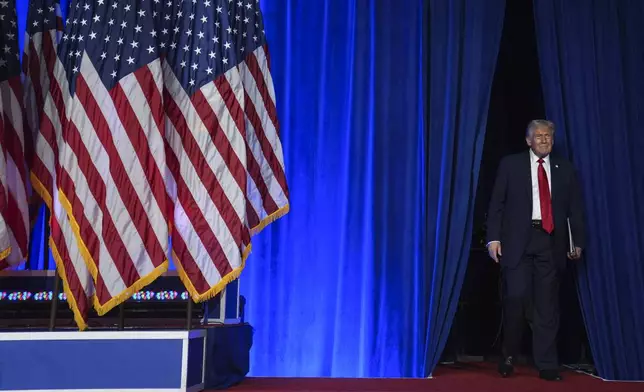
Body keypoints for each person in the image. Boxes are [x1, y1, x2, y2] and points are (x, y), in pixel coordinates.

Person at [486, 120, 585, 381]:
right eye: (538, 136)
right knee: (516, 298)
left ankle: (547, 363)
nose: (544, 140)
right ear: (528, 140)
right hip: (518, 241)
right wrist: (493, 239)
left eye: (548, 136)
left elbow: (574, 210)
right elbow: (497, 203)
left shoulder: (565, 169)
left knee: (547, 305)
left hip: (550, 241)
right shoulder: (510, 164)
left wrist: (576, 241)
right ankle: (509, 354)